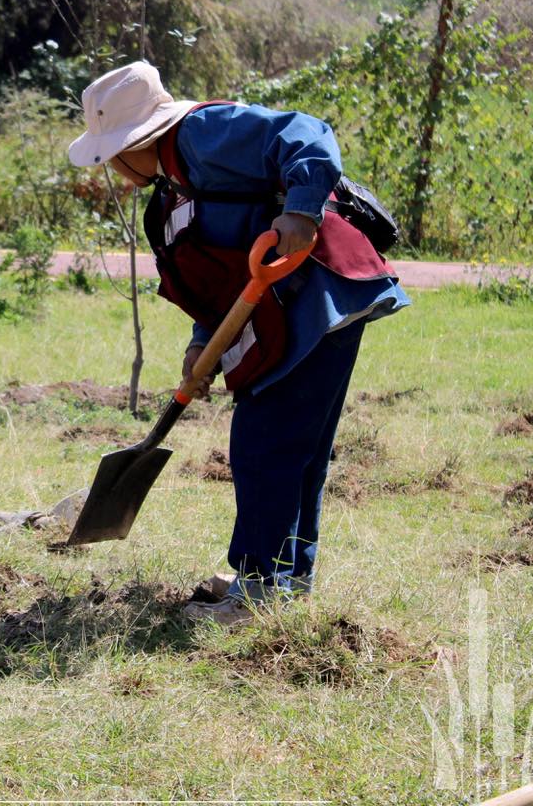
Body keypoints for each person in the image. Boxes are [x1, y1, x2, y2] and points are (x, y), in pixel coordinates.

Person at [65, 61, 409, 626]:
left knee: (265, 442)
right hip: (278, 310)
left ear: (139, 141)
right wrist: (202, 344)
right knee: (291, 449)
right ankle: (283, 579)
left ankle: (257, 589)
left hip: (319, 294)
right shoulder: (167, 201)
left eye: (113, 154)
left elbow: (307, 132)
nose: (114, 170)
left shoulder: (205, 134)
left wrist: (300, 208)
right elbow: (216, 279)